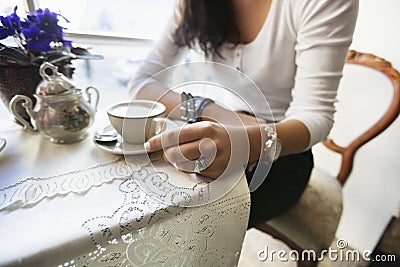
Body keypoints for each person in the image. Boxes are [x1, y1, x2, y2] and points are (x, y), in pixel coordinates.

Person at [129, 0, 359, 227]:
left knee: (185, 224)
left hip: (281, 146)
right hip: (216, 128)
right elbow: (142, 83)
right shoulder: (191, 4)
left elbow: (317, 115)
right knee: (142, 196)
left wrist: (252, 141)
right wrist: (208, 109)